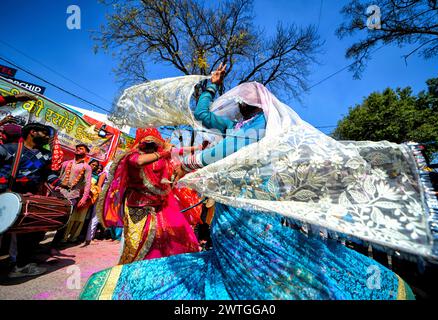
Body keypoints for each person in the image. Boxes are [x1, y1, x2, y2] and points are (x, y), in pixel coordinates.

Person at [81, 64, 415, 300]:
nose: (233, 108)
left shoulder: (261, 128)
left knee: (254, 259)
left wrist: (190, 162)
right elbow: (204, 117)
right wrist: (210, 85)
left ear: (250, 105)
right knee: (232, 259)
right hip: (230, 208)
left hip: (249, 210)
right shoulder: (238, 127)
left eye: (239, 103)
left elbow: (223, 153)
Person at [95, 128, 201, 265]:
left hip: (159, 207)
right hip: (138, 208)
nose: (151, 147)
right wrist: (164, 152)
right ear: (140, 143)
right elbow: (139, 161)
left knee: (161, 241)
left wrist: (198, 147)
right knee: (137, 243)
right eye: (148, 144)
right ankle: (131, 270)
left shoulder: (161, 156)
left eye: (154, 144)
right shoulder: (132, 156)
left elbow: (178, 151)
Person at [0, 122, 63, 278]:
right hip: (5, 195)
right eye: (45, 133)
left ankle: (20, 266)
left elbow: (47, 174)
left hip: (27, 198)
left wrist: (60, 183)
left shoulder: (45, 155)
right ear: (32, 132)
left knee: (25, 234)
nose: (48, 136)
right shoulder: (9, 149)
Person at [52, 144, 92, 244]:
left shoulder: (86, 167)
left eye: (81, 148)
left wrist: (83, 199)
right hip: (58, 193)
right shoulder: (66, 163)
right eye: (77, 148)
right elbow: (59, 177)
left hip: (72, 196)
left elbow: (88, 184)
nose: (78, 149)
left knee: (64, 220)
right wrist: (53, 190)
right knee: (50, 216)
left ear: (86, 153)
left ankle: (54, 244)